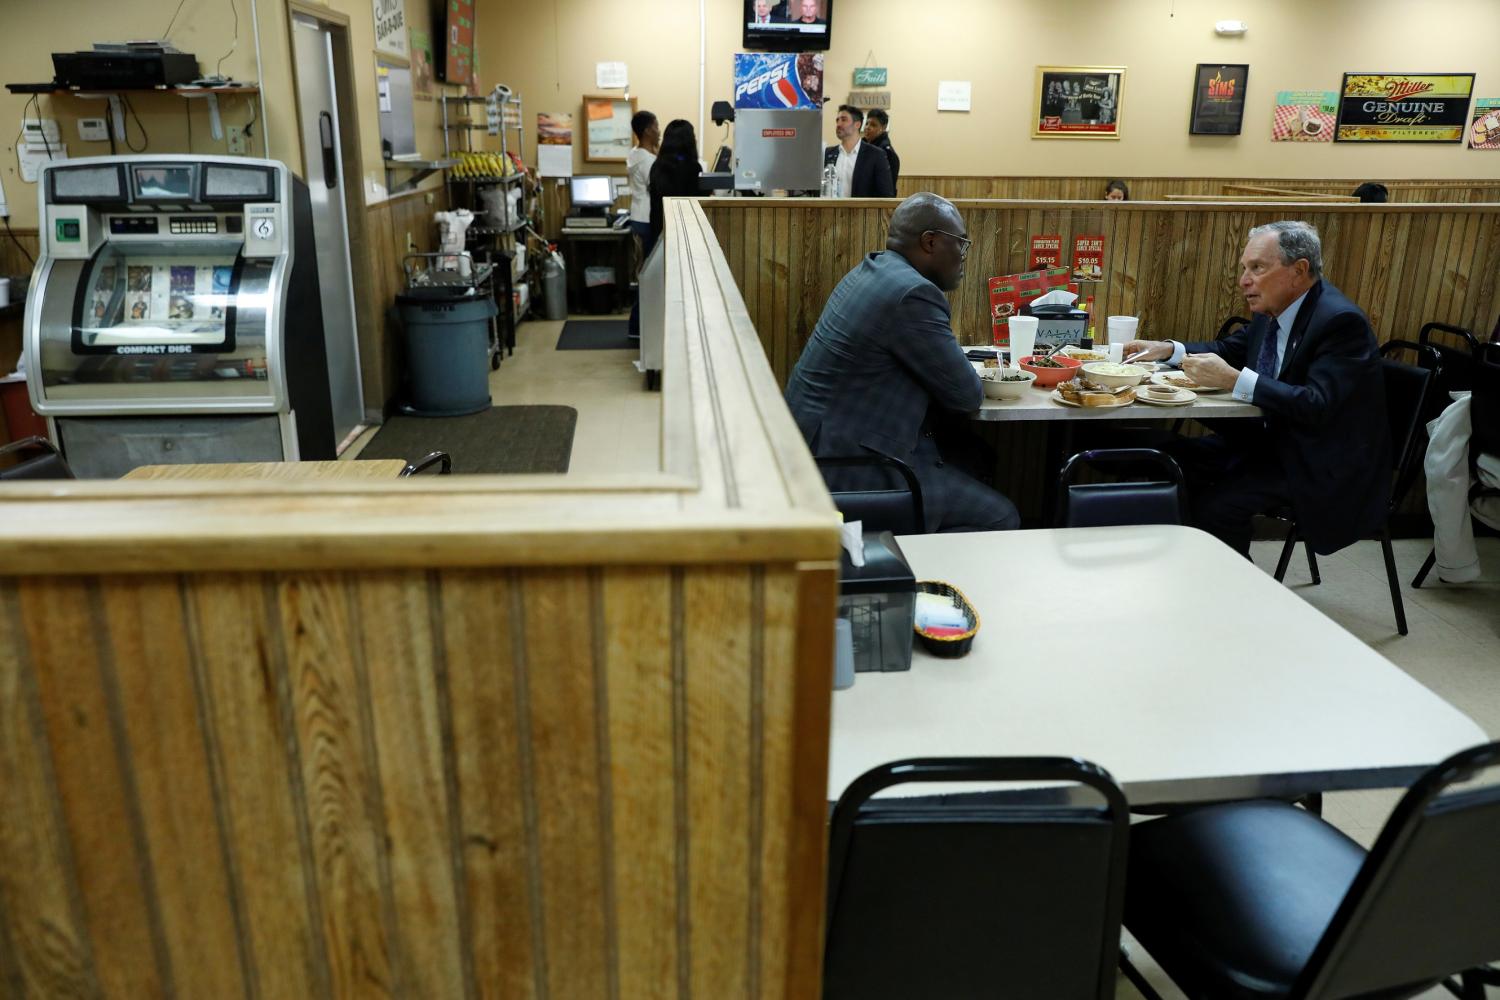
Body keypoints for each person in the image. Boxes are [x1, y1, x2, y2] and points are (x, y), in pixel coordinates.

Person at [1122, 221, 1389, 556]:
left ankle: (1237, 596)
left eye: (1257, 268)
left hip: (1315, 462)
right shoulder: (1273, 306)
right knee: (1164, 460)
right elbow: (1231, 349)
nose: (1244, 280)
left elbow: (1317, 405)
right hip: (1265, 443)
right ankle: (1189, 573)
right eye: (1244, 268)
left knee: (1216, 507)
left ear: (1299, 270)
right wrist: (1169, 349)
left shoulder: (1339, 322)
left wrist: (1234, 381)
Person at [784, 193, 1021, 533]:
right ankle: (920, 581)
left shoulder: (872, 269)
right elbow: (967, 396)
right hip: (849, 467)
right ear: (930, 242)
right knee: (1001, 516)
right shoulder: (914, 294)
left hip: (816, 445)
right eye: (961, 245)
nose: (964, 256)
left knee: (977, 456)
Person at [626, 110, 659, 341]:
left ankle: (637, 326)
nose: (659, 131)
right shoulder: (647, 161)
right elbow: (657, 185)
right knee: (648, 275)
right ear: (647, 130)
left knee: (643, 273)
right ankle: (638, 327)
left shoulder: (636, 155)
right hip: (647, 220)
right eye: (656, 126)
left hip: (639, 218)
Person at [648, 119, 702, 246]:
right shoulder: (693, 168)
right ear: (689, 141)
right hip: (686, 234)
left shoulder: (656, 166)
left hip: (659, 233)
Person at [823, 105, 895, 198]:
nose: (839, 124)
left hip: (862, 212)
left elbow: (886, 196)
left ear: (857, 124)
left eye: (844, 120)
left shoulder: (876, 155)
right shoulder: (828, 153)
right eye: (837, 120)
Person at [861, 108, 901, 187]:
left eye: (873, 125)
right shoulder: (862, 146)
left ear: (884, 127)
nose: (867, 127)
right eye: (866, 123)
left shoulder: (886, 153)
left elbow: (887, 186)